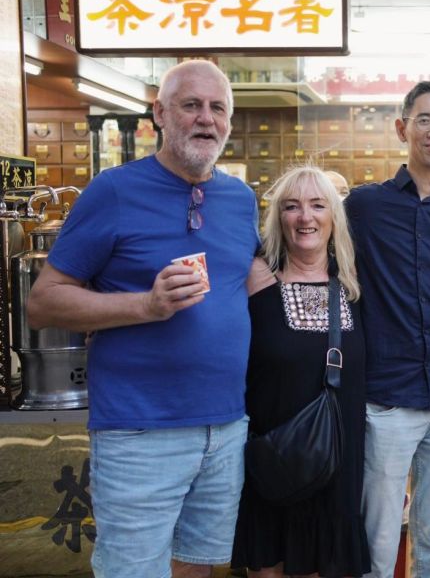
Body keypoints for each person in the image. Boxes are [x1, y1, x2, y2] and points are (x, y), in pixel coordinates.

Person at [27, 60, 260, 578]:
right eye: (190, 105)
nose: (206, 119)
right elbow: (43, 303)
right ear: (159, 113)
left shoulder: (240, 200)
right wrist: (145, 306)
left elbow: (248, 282)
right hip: (139, 430)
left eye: (217, 107)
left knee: (199, 568)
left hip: (225, 427)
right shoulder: (112, 191)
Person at [345, 81, 430, 578]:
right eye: (424, 119)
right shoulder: (362, 208)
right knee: (378, 536)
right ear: (403, 128)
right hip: (385, 400)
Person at [232, 166, 370, 577]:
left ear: (334, 217)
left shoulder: (355, 284)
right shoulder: (255, 281)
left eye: (316, 206)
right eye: (291, 207)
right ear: (278, 218)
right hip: (274, 462)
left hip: (337, 468)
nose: (304, 217)